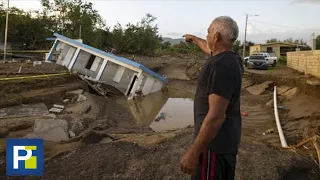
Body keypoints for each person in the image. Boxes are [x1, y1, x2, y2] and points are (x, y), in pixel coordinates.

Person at [180, 16, 244, 180]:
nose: (207, 36)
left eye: (208, 32)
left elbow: (216, 116)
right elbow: (207, 48)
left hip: (213, 148)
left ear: (216, 37)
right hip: (225, 141)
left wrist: (194, 152)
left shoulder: (221, 66)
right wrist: (194, 38)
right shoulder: (231, 58)